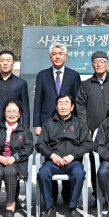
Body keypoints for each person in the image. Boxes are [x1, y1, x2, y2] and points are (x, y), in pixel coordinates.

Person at [33, 42, 82, 204]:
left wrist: (78, 125)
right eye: (54, 54)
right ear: (50, 56)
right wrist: (37, 125)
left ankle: (69, 198)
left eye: (60, 53)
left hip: (69, 124)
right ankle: (51, 199)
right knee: (50, 160)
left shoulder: (74, 75)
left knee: (70, 159)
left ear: (65, 56)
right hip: (48, 123)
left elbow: (77, 103)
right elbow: (37, 101)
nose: (58, 56)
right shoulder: (42, 75)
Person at [36, 94, 93, 217]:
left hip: (72, 161)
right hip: (53, 161)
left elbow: (88, 143)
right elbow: (39, 144)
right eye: (60, 103)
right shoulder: (49, 124)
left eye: (66, 103)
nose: (63, 106)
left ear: (72, 107)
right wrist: (52, 155)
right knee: (42, 173)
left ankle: (72, 208)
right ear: (56, 107)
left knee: (79, 174)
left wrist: (73, 156)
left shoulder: (80, 124)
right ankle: (50, 208)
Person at [76, 51, 109, 196]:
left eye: (102, 61)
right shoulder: (86, 85)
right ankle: (97, 194)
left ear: (107, 63)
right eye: (96, 61)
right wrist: (85, 127)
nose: (99, 64)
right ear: (92, 65)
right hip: (92, 130)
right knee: (95, 162)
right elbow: (80, 106)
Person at [0, 99, 34, 217]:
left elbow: (28, 148)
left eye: (14, 111)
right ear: (4, 112)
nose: (11, 114)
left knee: (10, 171)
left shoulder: (25, 132)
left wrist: (14, 157)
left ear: (20, 113)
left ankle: (10, 207)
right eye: (8, 111)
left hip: (15, 163)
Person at [0, 50, 30, 132]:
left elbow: (25, 109)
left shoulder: (21, 83)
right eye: (2, 60)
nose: (5, 63)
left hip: (14, 125)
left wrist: (25, 130)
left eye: (8, 60)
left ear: (13, 63)